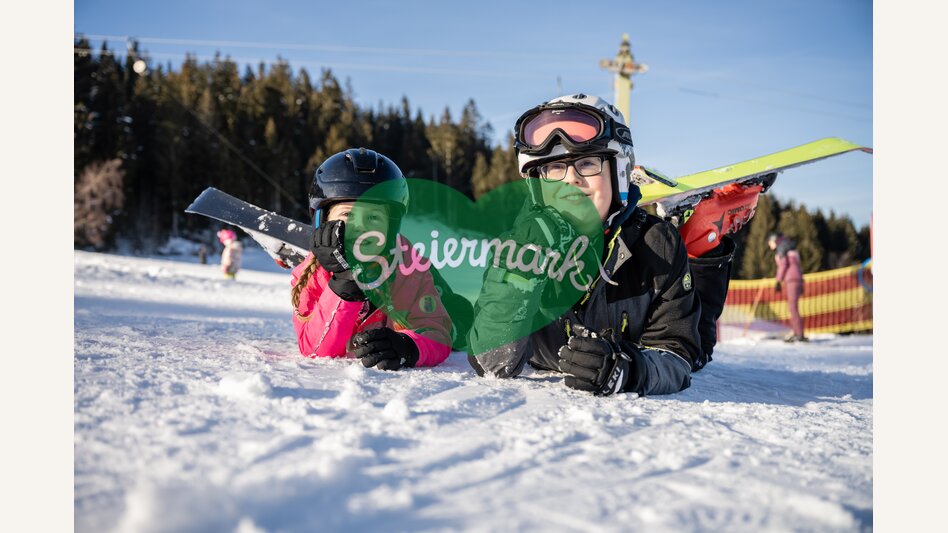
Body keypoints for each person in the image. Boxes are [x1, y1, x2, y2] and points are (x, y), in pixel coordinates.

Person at [467, 94, 762, 396]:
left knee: (699, 347)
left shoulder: (656, 244)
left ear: (619, 172)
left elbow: (678, 352)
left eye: (587, 163)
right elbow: (492, 361)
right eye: (555, 169)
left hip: (644, 337)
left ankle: (702, 234)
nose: (571, 180)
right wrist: (521, 268)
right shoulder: (514, 247)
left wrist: (628, 369)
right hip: (550, 350)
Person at [290, 148, 453, 370]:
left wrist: (408, 347)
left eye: (374, 217)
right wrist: (344, 284)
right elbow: (315, 349)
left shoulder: (407, 267)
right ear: (323, 220)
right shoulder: (312, 272)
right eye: (347, 215)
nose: (361, 228)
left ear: (391, 225)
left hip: (425, 283)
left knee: (459, 316)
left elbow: (437, 335)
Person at [768, 232, 807, 342]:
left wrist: (778, 281)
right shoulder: (789, 247)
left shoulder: (782, 248)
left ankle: (799, 334)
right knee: (793, 307)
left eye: (769, 242)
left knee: (793, 308)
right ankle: (798, 333)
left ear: (774, 240)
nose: (769, 245)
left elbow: (783, 265)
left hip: (791, 280)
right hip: (797, 278)